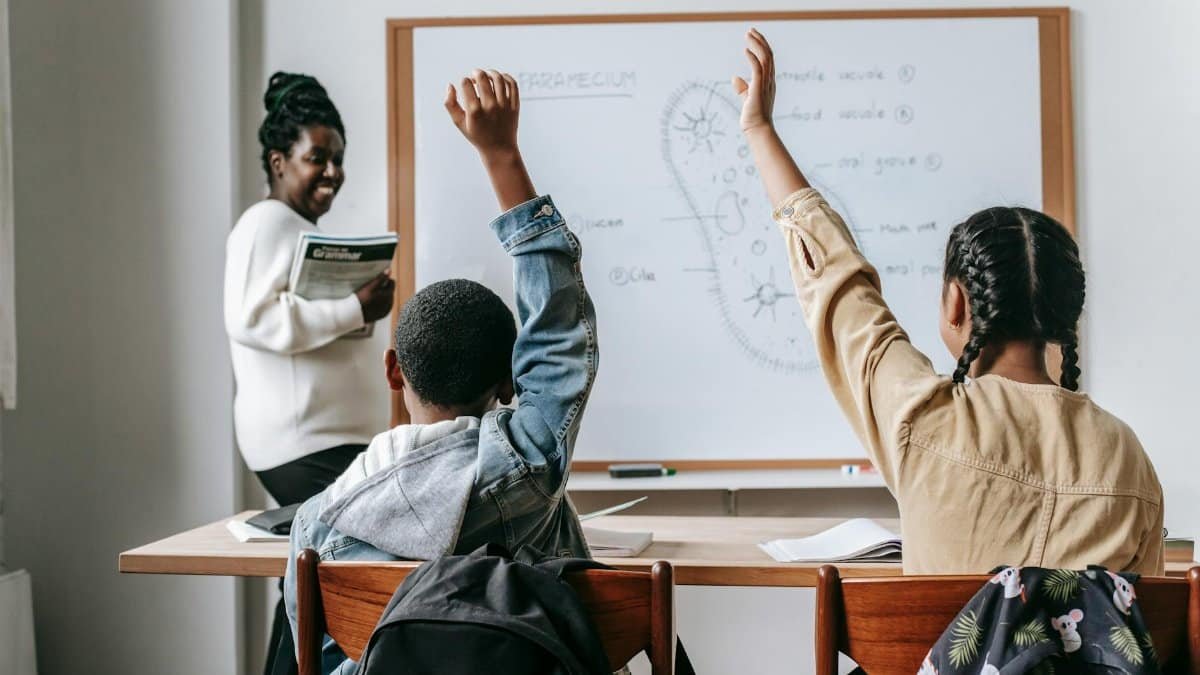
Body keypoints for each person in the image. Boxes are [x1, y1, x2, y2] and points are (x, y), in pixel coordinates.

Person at [734, 28, 1163, 574]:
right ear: (1066, 314)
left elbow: (841, 286)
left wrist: (760, 130)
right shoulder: (1127, 459)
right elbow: (1144, 616)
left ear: (956, 304)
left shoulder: (922, 418)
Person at [283, 67, 598, 673]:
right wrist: (501, 155)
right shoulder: (527, 468)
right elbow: (559, 334)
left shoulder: (317, 525)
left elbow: (319, 660)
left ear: (393, 371)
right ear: (508, 381)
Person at [224, 72, 394, 675]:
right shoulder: (266, 221)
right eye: (317, 157)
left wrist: (361, 310)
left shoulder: (299, 230)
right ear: (279, 161)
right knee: (336, 568)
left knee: (313, 568)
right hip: (304, 442)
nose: (332, 172)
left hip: (324, 439)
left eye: (338, 159)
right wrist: (354, 309)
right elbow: (251, 318)